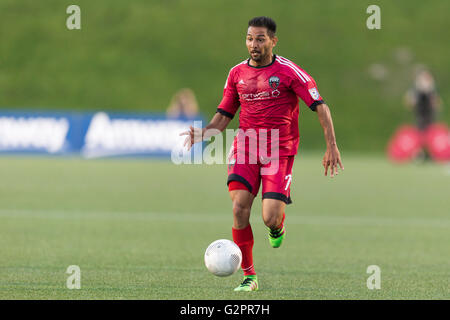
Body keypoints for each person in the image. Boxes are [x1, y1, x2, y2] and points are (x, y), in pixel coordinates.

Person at [180, 16, 343, 292]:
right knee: (239, 207)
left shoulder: (290, 72)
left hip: (280, 149)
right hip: (246, 145)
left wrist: (332, 145)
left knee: (270, 216)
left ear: (273, 41)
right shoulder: (236, 74)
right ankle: (250, 276)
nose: (253, 44)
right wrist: (204, 133)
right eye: (249, 38)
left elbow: (320, 106)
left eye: (260, 39)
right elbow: (225, 114)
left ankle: (277, 227)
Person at [403, 67, 442, 131]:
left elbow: (436, 104)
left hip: (431, 122)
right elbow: (409, 102)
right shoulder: (415, 91)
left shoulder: (432, 91)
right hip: (419, 121)